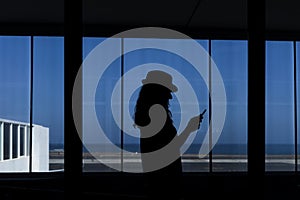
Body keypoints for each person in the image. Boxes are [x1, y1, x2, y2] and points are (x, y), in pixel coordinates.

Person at [133, 70, 204, 199]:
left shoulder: (148, 115)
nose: (170, 97)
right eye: (167, 91)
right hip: (165, 186)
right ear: (158, 92)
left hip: (156, 184)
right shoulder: (156, 115)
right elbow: (169, 150)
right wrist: (189, 128)